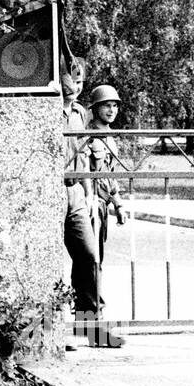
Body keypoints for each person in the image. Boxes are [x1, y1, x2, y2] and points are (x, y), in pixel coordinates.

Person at [62, 62, 123, 347]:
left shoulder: (81, 114)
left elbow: (87, 157)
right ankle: (51, 332)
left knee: (89, 257)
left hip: (76, 192)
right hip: (50, 190)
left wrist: (88, 193)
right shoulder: (47, 109)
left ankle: (89, 327)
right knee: (51, 262)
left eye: (79, 79)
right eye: (69, 76)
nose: (74, 84)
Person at [86, 84, 127, 267]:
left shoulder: (110, 136)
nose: (112, 110)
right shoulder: (87, 135)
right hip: (91, 201)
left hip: (103, 203)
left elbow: (110, 176)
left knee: (98, 255)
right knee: (90, 256)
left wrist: (118, 204)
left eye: (115, 105)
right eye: (106, 105)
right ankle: (89, 295)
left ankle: (94, 293)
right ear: (95, 108)